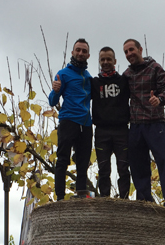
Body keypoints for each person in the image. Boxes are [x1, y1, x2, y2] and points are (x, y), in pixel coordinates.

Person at [123, 38, 165, 209]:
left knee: (163, 162)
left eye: (131, 50)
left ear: (140, 49)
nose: (129, 54)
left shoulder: (154, 68)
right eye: (126, 52)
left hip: (155, 124)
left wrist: (159, 99)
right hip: (136, 126)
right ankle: (145, 203)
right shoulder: (127, 75)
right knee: (138, 167)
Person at [49, 39, 93, 200]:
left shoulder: (89, 77)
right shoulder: (63, 74)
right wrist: (55, 91)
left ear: (88, 55)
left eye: (84, 51)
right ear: (72, 52)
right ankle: (60, 198)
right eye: (78, 50)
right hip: (68, 121)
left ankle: (81, 197)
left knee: (83, 164)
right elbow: (52, 102)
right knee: (63, 160)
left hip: (86, 124)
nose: (80, 53)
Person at [91, 47, 131, 198]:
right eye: (103, 59)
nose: (106, 62)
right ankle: (105, 200)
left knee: (123, 167)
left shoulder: (124, 81)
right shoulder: (94, 83)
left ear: (115, 61)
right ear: (99, 62)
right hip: (102, 131)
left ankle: (124, 199)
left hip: (122, 131)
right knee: (103, 169)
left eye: (109, 59)